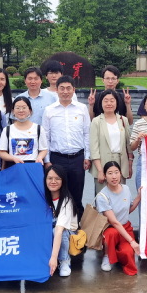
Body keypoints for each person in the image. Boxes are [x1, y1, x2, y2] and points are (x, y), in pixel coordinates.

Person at [43, 76, 91, 220]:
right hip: (57, 158)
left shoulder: (82, 108)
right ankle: (58, 225)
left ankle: (77, 227)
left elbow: (87, 133)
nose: (65, 92)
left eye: (68, 88)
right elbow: (46, 137)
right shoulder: (49, 110)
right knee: (58, 194)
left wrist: (87, 156)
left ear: (73, 90)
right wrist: (47, 160)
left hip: (77, 158)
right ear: (56, 90)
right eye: (62, 88)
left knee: (77, 194)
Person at [97, 161, 141, 276]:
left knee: (127, 253)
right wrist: (132, 241)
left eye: (116, 172)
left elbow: (128, 210)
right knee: (111, 234)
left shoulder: (126, 188)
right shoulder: (102, 196)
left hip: (125, 228)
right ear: (105, 176)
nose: (114, 176)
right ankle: (107, 255)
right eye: (110, 173)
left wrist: (139, 196)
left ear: (120, 174)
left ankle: (116, 253)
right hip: (111, 228)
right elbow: (114, 222)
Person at [90, 90, 132, 194]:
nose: (109, 103)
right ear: (101, 103)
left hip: (121, 164)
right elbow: (94, 148)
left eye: (112, 100)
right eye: (106, 101)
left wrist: (129, 165)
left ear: (117, 103)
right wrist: (100, 170)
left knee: (120, 196)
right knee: (102, 197)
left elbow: (128, 145)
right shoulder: (96, 121)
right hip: (102, 163)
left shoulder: (123, 120)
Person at [46, 165, 78, 277]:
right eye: (50, 178)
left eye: (57, 178)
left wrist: (54, 258)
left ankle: (64, 260)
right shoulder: (44, 198)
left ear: (63, 181)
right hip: (52, 230)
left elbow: (59, 231)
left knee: (57, 231)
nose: (53, 181)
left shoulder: (66, 201)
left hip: (68, 233)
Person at [0, 97, 48, 166]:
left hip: (33, 166)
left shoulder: (38, 128)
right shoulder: (7, 130)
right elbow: (1, 152)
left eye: (24, 108)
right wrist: (13, 159)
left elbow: (44, 149)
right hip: (14, 166)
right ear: (13, 111)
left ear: (30, 110)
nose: (21, 110)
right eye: (17, 108)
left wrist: (40, 157)